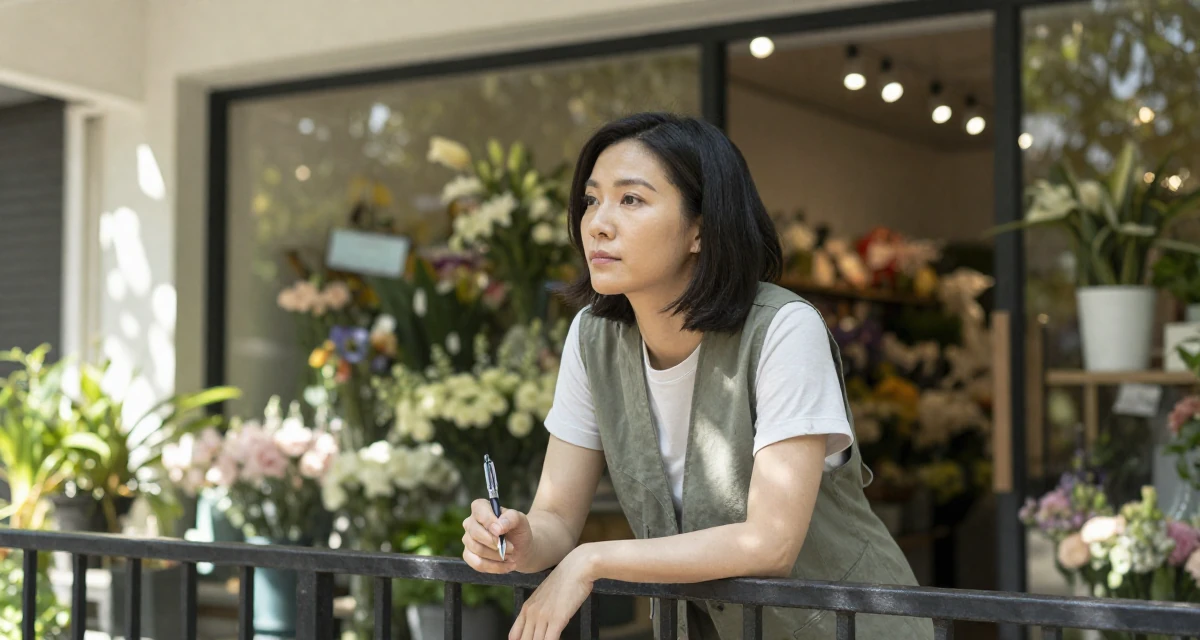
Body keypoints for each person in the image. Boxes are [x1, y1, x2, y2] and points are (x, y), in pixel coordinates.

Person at [460, 112, 931, 640]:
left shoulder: (783, 329)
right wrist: (520, 538)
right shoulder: (592, 337)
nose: (597, 222)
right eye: (592, 199)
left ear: (701, 229)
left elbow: (769, 543)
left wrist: (592, 561)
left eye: (631, 199)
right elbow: (557, 518)